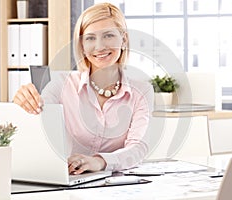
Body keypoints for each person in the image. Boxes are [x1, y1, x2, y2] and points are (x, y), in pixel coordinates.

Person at [13, 2, 154, 175]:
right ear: (81, 45)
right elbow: (37, 120)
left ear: (123, 39)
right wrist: (23, 103)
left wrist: (99, 161)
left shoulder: (142, 91)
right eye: (90, 38)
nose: (100, 46)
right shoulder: (61, 84)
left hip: (116, 184)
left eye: (108, 35)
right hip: (70, 180)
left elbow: (138, 148)